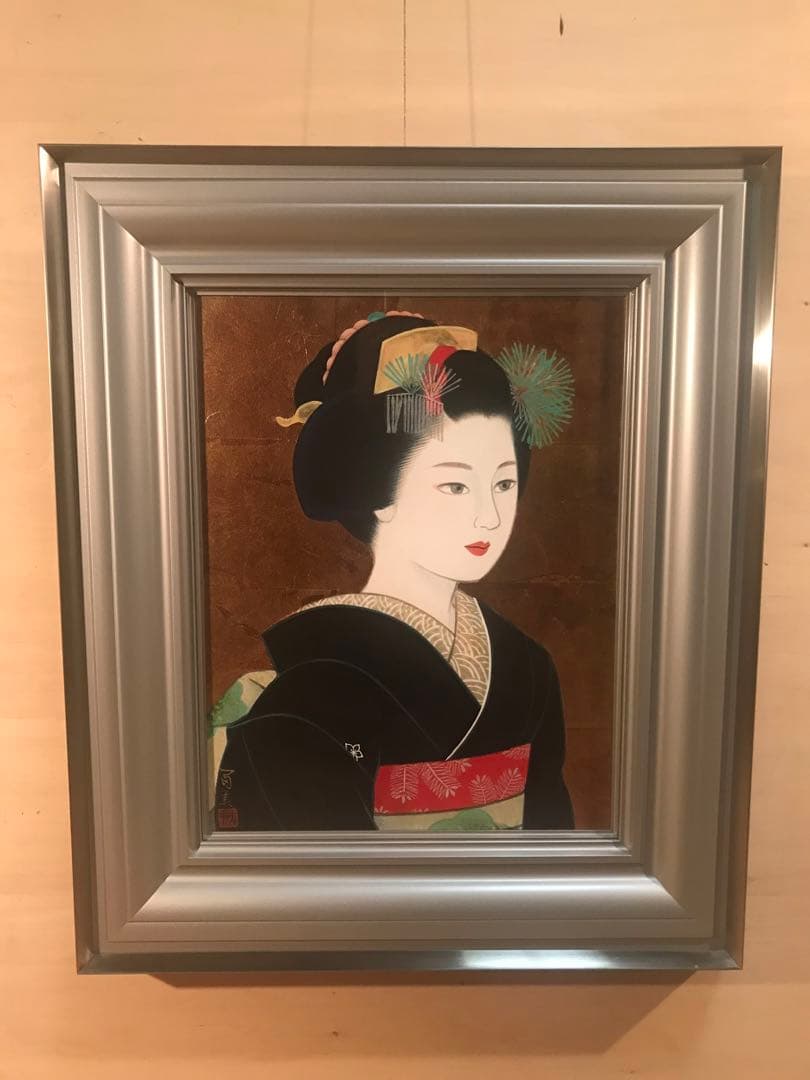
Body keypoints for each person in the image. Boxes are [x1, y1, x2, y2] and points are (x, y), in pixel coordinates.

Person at [211, 310, 576, 831]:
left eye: (503, 483)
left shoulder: (527, 668)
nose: (489, 517)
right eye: (455, 485)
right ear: (379, 492)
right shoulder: (311, 688)